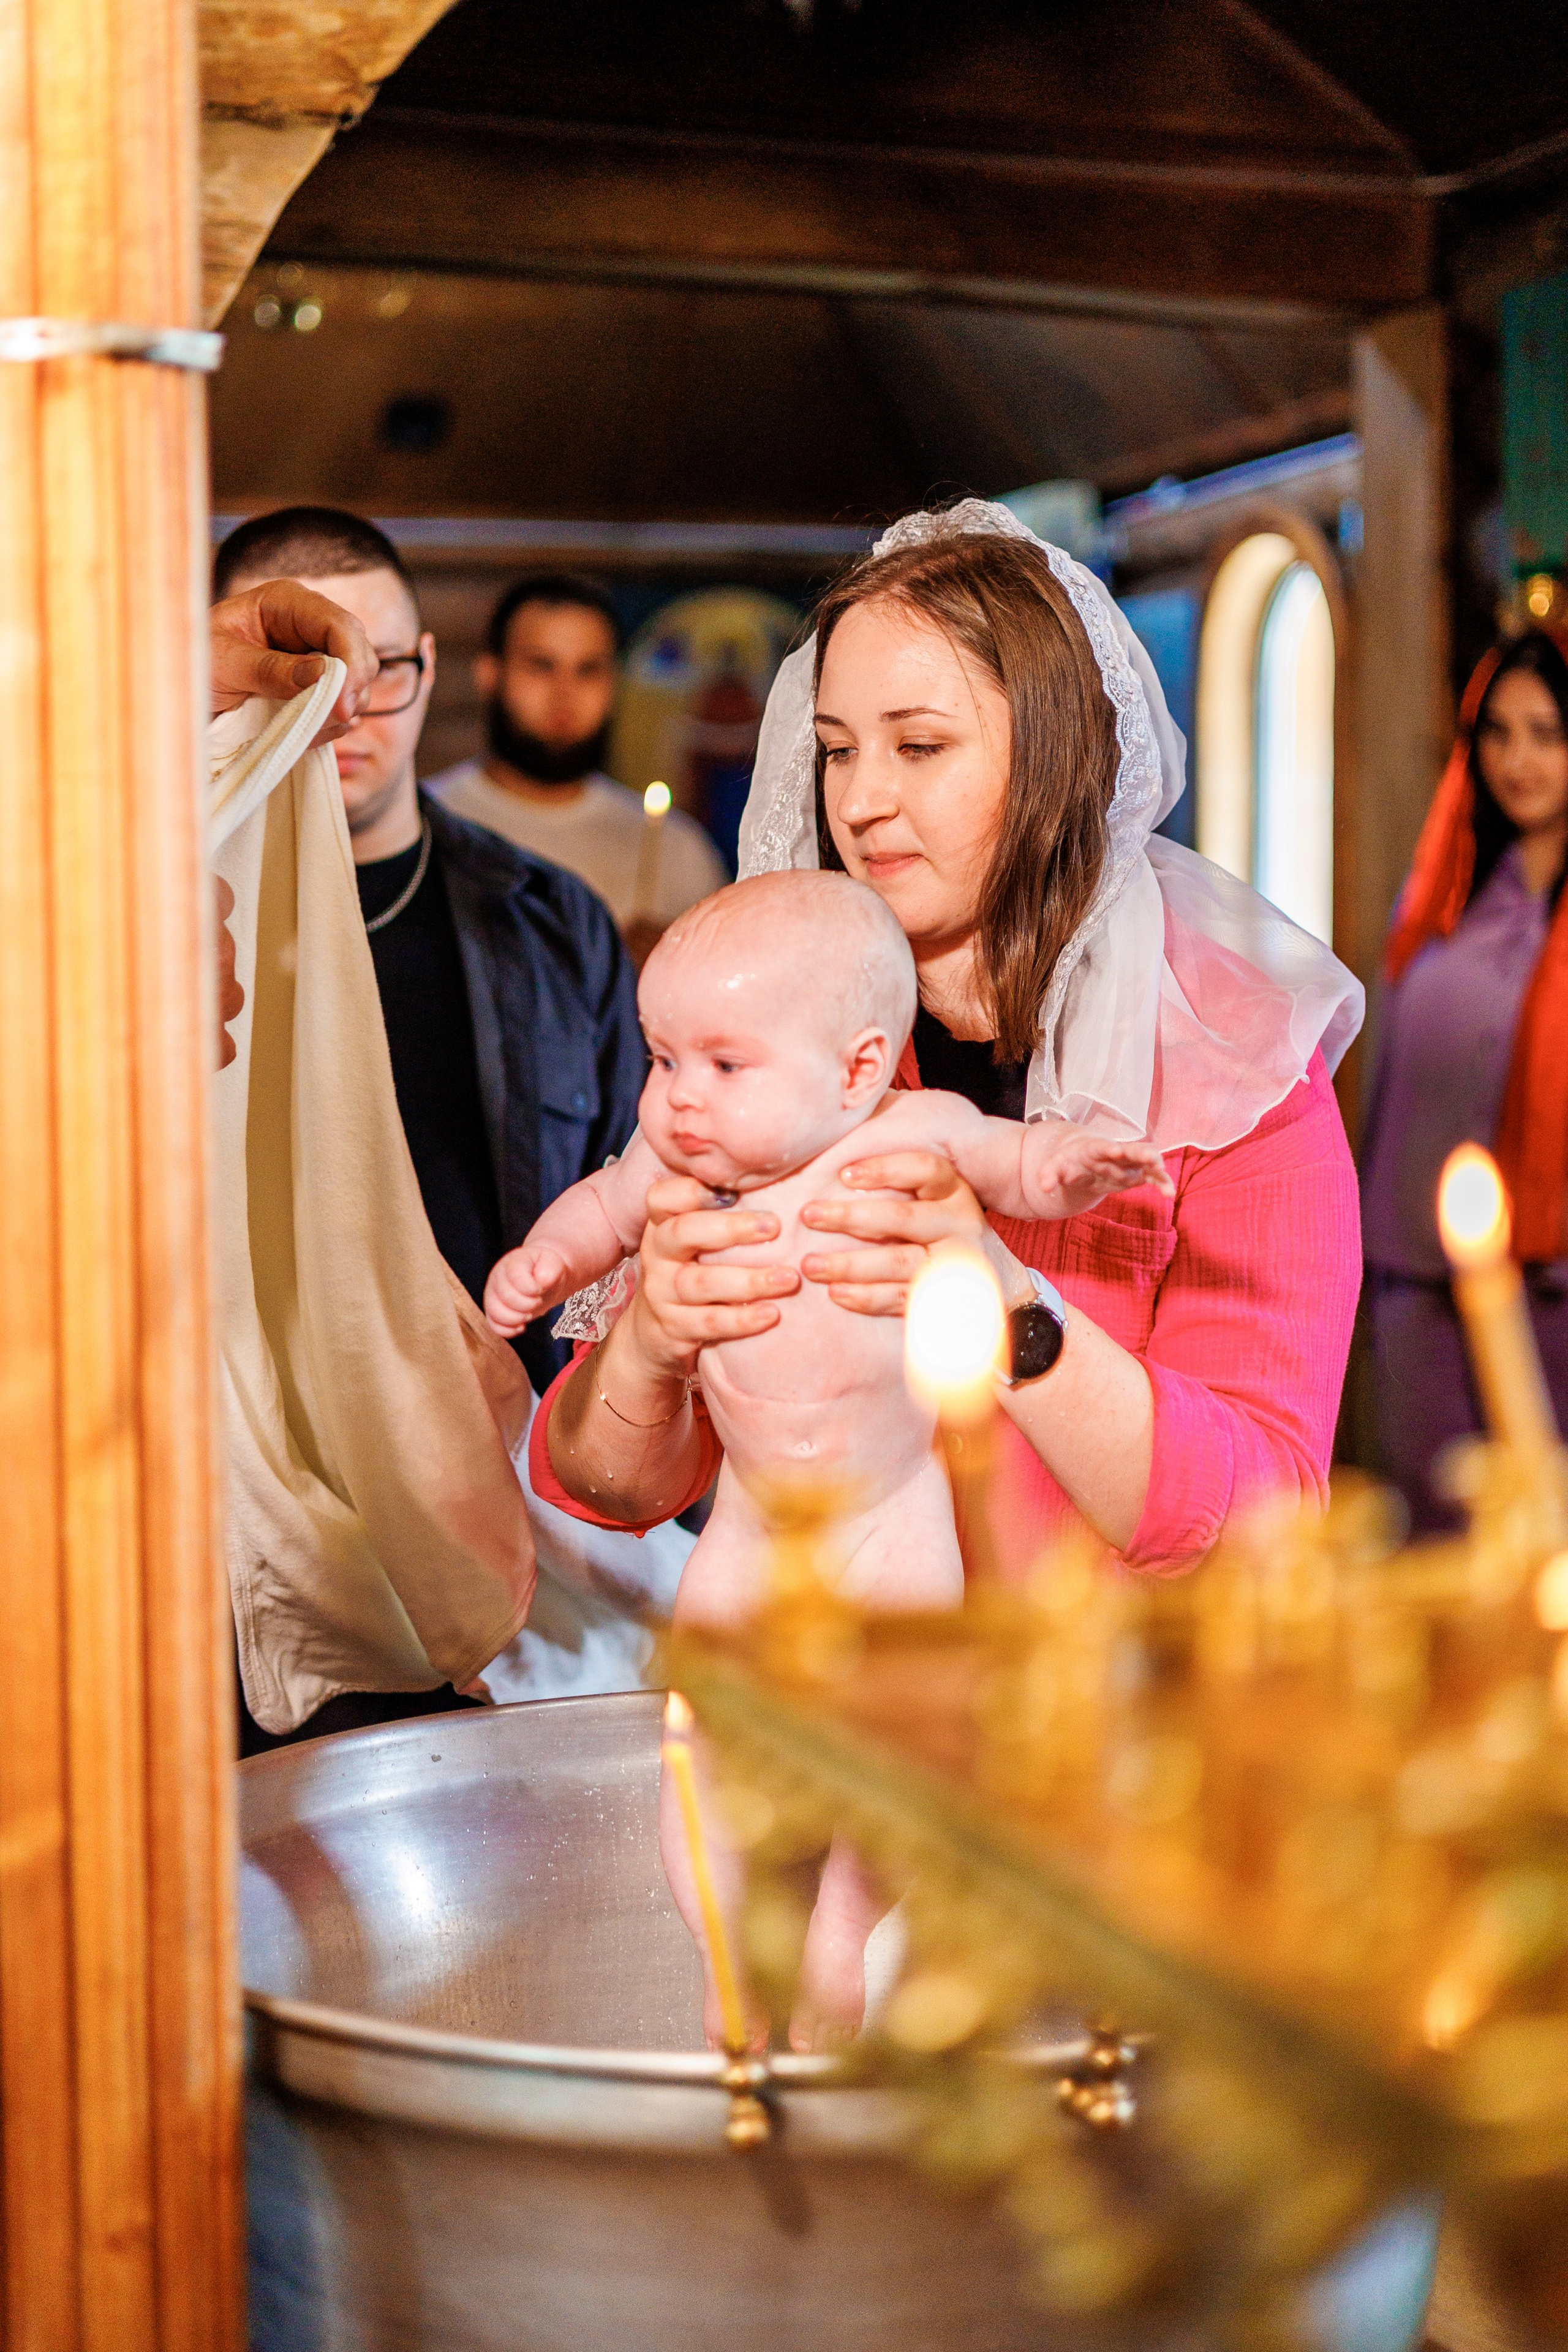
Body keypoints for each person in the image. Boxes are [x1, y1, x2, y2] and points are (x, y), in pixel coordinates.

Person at [524, 501, 1366, 1580]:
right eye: (838, 752)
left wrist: (1003, 1301)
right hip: (824, 1660)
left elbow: (1265, 1522)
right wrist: (651, 1346)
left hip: (1094, 1679)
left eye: (919, 746)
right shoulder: (784, 1040)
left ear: (1054, 757)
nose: (861, 800)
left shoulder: (1234, 1064)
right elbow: (605, 1487)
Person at [211, 507, 650, 1746]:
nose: (347, 707)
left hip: (496, 1497)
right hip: (257, 1519)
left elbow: (628, 1199)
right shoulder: (167, 921)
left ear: (430, 669)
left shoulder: (550, 921)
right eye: (303, 669)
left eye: (382, 668)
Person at [1362, 627, 1568, 1528]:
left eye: (1547, 734)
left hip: (1555, 1282)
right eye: (1498, 733)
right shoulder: (1447, 890)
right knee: (1432, 1533)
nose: (1518, 761)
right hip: (1415, 1273)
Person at [424, 571, 726, 957]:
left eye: (588, 670)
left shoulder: (679, 850)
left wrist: (671, 967)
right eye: (542, 666)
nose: (564, 695)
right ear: (490, 675)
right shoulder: (425, 825)